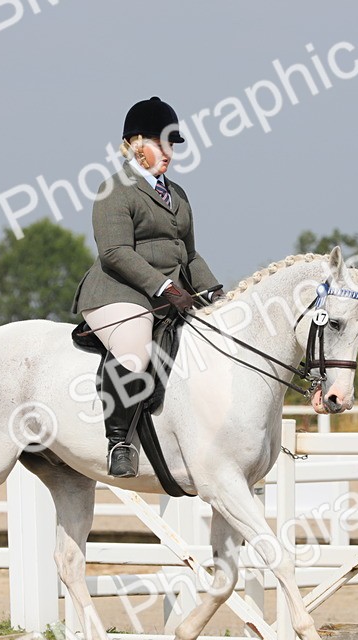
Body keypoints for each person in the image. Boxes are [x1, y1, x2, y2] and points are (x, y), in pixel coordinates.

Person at [71, 96, 223, 478]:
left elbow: (189, 255)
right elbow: (114, 252)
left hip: (167, 295)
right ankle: (119, 442)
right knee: (135, 352)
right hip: (118, 292)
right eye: (160, 143)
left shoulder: (179, 194)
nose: (168, 152)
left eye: (172, 144)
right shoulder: (114, 189)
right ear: (135, 143)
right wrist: (165, 288)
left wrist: (217, 293)